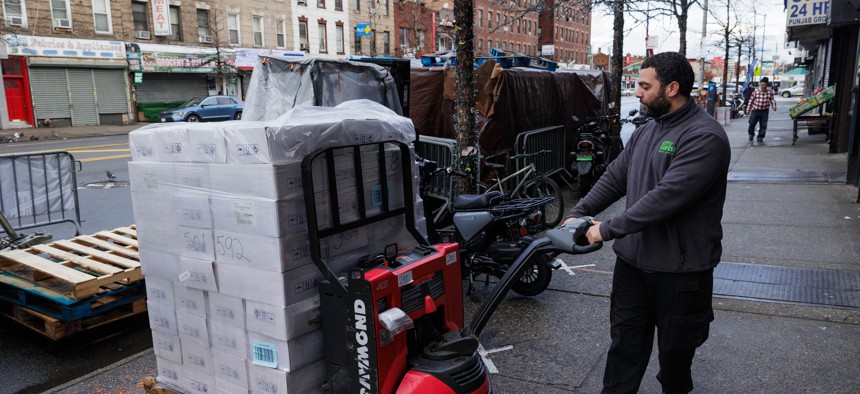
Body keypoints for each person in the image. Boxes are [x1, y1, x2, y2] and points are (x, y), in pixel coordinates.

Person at [565, 51, 731, 394]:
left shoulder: (705, 137)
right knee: (624, 348)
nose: (637, 92)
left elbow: (666, 199)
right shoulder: (646, 131)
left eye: (644, 85)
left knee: (674, 360)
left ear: (672, 88)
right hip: (633, 267)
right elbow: (615, 177)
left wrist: (605, 229)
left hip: (680, 273)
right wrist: (579, 213)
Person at [747, 77, 777, 142]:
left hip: (765, 111)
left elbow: (772, 100)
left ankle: (760, 136)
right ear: (760, 84)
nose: (763, 86)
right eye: (762, 85)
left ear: (767, 85)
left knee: (763, 125)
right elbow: (751, 101)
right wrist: (748, 110)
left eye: (765, 85)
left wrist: (774, 106)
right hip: (755, 110)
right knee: (752, 123)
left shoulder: (769, 92)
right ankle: (751, 134)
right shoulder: (755, 92)